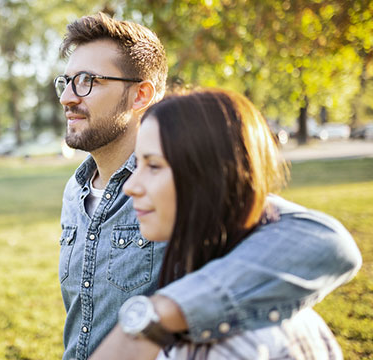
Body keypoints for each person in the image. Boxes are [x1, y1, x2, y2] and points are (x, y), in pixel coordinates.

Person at [55, 13, 361, 360]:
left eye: (86, 80)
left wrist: (155, 318)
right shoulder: (75, 191)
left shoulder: (180, 189)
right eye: (65, 81)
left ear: (141, 94)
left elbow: (326, 243)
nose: (67, 97)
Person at [114, 88, 346, 359]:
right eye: (137, 165)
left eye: (153, 166)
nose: (130, 187)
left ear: (211, 179)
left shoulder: (233, 344)